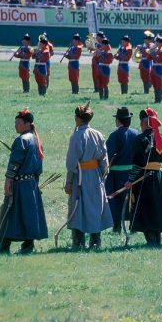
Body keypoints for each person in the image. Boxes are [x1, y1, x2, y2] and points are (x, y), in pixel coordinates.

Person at [0, 108, 48, 254]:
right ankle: (27, 247)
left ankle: (3, 247)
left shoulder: (22, 140)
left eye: (18, 123)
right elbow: (38, 167)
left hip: (19, 184)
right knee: (28, 214)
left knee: (9, 213)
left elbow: (14, 164)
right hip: (30, 184)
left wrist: (7, 182)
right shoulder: (36, 140)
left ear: (27, 124)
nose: (15, 125)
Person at [64, 102, 113, 249]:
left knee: (77, 207)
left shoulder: (76, 136)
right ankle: (95, 241)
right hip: (96, 176)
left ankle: (78, 242)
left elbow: (72, 163)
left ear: (77, 118)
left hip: (80, 177)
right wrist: (102, 176)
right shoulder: (98, 134)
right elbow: (104, 160)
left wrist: (68, 182)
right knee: (95, 206)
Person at [125, 108, 162, 247]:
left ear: (144, 122)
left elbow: (138, 163)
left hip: (143, 177)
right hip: (157, 176)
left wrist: (130, 180)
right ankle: (156, 239)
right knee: (155, 207)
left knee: (146, 208)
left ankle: (151, 241)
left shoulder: (141, 138)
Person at [105, 107, 139, 233]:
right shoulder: (136, 133)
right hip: (133, 173)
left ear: (118, 121)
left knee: (115, 199)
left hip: (116, 174)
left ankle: (117, 226)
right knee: (131, 199)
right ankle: (133, 226)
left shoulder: (115, 135)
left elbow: (107, 154)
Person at [150, 35, 162, 103]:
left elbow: (158, 60)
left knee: (158, 83)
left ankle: (159, 98)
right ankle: (156, 98)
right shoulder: (155, 50)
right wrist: (151, 52)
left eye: (156, 42)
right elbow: (149, 58)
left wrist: (153, 53)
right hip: (154, 68)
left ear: (160, 43)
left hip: (158, 68)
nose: (155, 44)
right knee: (154, 83)